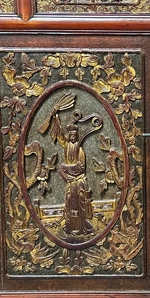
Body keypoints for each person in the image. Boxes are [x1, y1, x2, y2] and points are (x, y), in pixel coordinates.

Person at [40, 93, 103, 239]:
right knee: (69, 203)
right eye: (71, 135)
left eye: (74, 135)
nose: (72, 137)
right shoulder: (67, 146)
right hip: (70, 182)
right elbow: (60, 134)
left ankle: (82, 227)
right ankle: (70, 227)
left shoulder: (79, 150)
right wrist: (55, 117)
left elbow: (81, 167)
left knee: (80, 204)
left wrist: (66, 169)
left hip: (78, 182)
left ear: (77, 135)